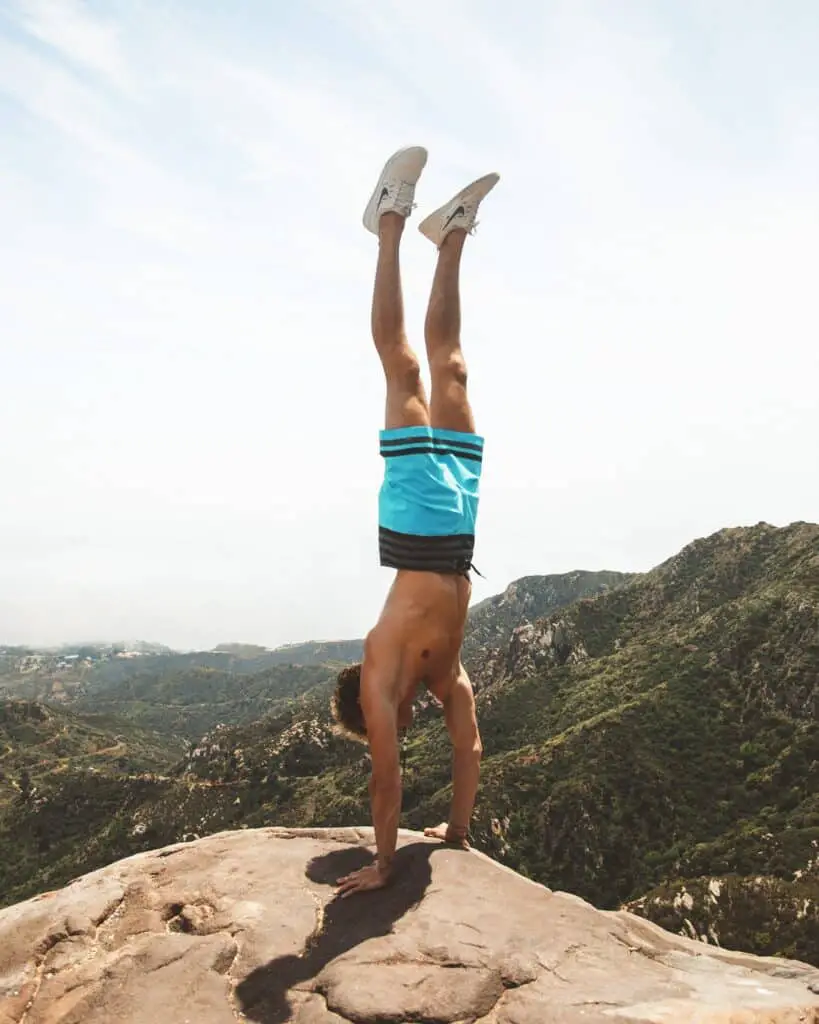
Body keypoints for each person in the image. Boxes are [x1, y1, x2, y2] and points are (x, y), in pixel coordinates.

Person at [332, 146, 499, 898]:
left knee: (402, 366)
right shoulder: (445, 676)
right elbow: (470, 748)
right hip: (459, 529)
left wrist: (384, 862)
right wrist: (457, 835)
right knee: (453, 367)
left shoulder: (381, 674)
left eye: (384, 724)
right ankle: (452, 233)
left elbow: (385, 785)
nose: (395, 729)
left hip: (412, 528)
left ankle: (389, 223)